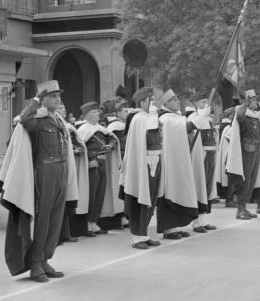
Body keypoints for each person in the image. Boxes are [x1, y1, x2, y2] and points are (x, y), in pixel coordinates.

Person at [0, 80, 78, 283]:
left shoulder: (58, 120)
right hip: (45, 171)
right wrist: (35, 100)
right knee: (42, 221)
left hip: (61, 170)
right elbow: (23, 118)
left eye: (59, 95)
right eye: (52, 96)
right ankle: (34, 264)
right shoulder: (36, 119)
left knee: (55, 218)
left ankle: (44, 259)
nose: (58, 99)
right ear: (43, 99)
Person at [156, 89, 208, 238]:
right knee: (169, 192)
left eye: (178, 99)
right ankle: (168, 228)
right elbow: (186, 127)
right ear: (166, 103)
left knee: (177, 190)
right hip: (169, 162)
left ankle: (175, 226)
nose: (178, 101)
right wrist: (201, 117)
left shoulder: (174, 117)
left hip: (177, 159)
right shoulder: (166, 118)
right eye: (174, 100)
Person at [118, 87, 163, 249]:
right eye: (151, 100)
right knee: (142, 198)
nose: (154, 103)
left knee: (151, 199)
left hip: (155, 159)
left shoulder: (150, 117)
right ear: (142, 102)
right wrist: (153, 115)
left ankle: (143, 233)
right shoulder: (139, 118)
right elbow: (144, 137)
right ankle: (137, 237)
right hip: (143, 163)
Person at [226, 89, 260, 219]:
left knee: (252, 181)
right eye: (253, 100)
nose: (256, 102)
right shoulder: (242, 113)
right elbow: (240, 117)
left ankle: (244, 207)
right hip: (247, 151)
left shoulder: (254, 115)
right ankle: (240, 209)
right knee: (244, 181)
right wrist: (245, 103)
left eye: (254, 99)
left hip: (256, 150)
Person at [77, 101, 121, 236]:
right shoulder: (83, 129)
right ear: (86, 115)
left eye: (97, 111)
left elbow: (112, 139)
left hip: (103, 163)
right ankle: (87, 224)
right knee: (91, 194)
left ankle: (94, 221)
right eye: (94, 112)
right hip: (92, 165)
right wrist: (91, 159)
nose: (98, 114)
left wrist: (111, 145)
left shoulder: (101, 129)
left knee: (100, 194)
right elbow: (82, 147)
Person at [58, 103, 89, 244]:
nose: (63, 110)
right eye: (60, 108)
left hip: (71, 167)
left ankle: (67, 232)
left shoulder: (69, 128)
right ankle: (61, 233)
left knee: (69, 201)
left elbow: (79, 144)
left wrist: (78, 149)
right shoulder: (58, 125)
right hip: (59, 168)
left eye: (64, 108)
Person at [185, 99, 218, 232]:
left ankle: (203, 220)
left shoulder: (208, 119)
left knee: (207, 188)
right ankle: (196, 222)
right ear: (197, 103)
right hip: (201, 156)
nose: (207, 103)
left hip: (210, 155)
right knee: (200, 187)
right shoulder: (195, 118)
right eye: (203, 101)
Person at [215, 107, 236, 205]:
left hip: (229, 156)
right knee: (231, 179)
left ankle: (231, 198)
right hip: (229, 157)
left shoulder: (226, 126)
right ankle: (229, 199)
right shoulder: (228, 127)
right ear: (231, 115)